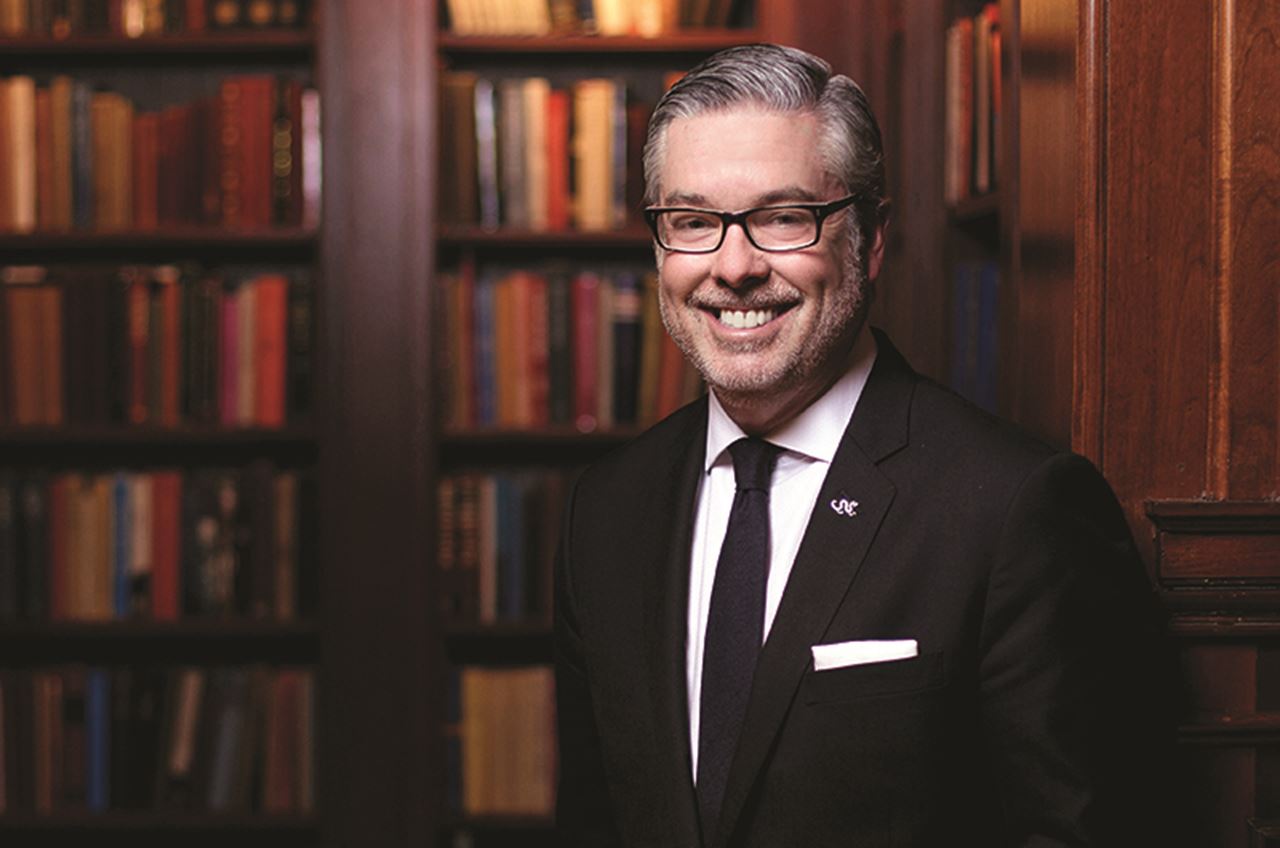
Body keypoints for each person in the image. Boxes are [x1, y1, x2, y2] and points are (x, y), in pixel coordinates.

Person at [554, 43, 1171, 848]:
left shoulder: (1018, 509)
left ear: (870, 240)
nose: (732, 267)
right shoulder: (606, 510)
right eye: (694, 222)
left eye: (782, 217)